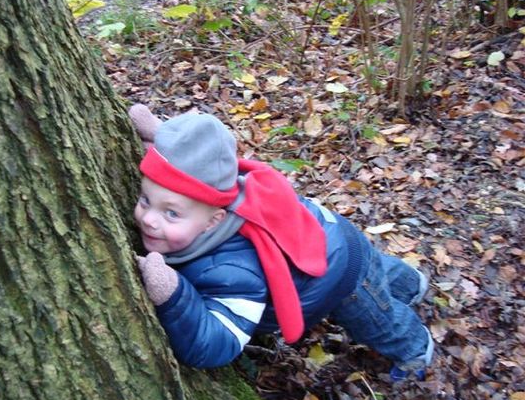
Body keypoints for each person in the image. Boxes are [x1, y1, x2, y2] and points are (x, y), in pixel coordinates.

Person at [129, 104, 434, 381]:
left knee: (379, 320)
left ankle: (416, 350)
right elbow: (202, 159)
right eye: (146, 200)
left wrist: (175, 297)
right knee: (378, 269)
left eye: (171, 213)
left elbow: (218, 342)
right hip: (328, 230)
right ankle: (411, 285)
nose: (150, 219)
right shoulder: (205, 194)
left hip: (340, 274)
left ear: (213, 222)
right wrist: (165, 141)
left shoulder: (234, 270)